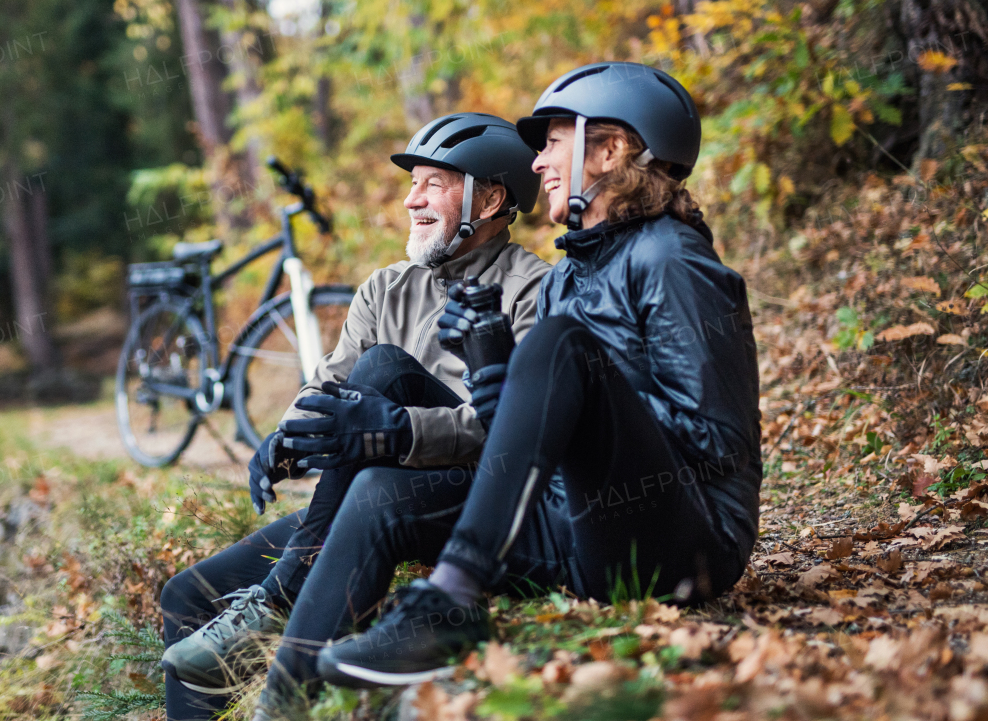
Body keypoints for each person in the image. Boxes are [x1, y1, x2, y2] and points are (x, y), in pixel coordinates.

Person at [268, 61, 761, 694]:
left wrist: (580, 392)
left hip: (687, 545)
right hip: (577, 530)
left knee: (561, 344)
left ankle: (455, 595)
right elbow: (528, 448)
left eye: (554, 142)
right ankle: (280, 701)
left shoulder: (670, 259)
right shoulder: (563, 278)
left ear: (611, 150)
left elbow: (718, 443)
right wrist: (498, 374)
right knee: (379, 495)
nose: (536, 163)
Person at [158, 113, 550, 720]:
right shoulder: (384, 288)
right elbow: (329, 383)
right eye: (411, 184)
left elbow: (515, 425)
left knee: (387, 370)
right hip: (368, 490)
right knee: (185, 594)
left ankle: (279, 598)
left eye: (433, 184)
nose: (411, 199)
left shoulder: (534, 290)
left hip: (465, 493)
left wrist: (398, 430)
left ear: (493, 198)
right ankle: (266, 608)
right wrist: (288, 439)